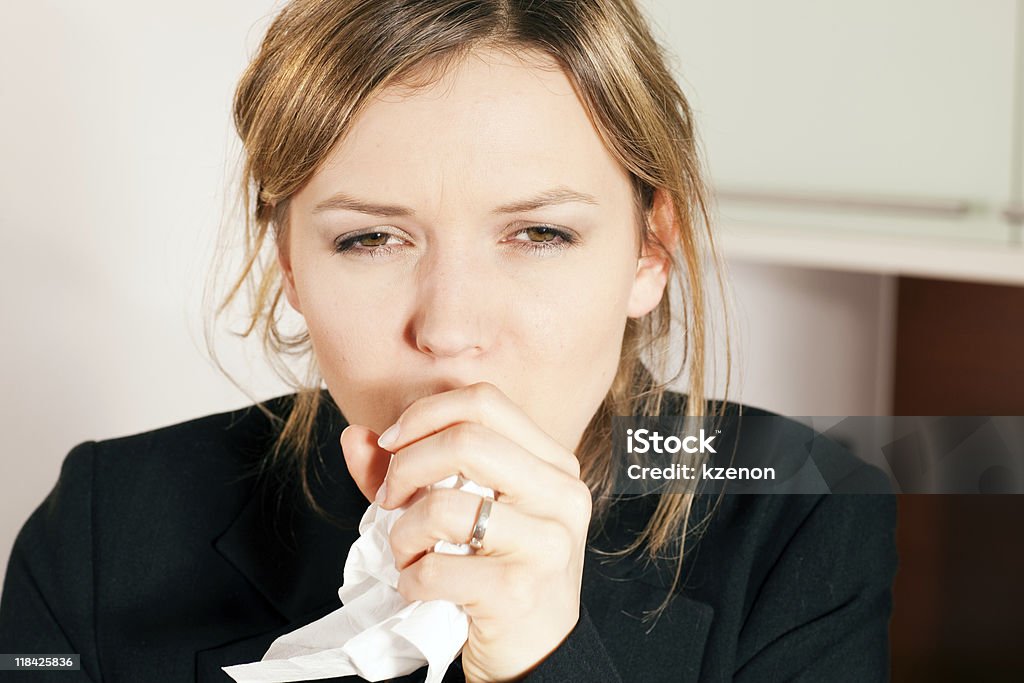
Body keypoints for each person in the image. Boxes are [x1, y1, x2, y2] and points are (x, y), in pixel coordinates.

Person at [0, 1, 898, 681]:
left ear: (650, 250)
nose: (452, 329)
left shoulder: (805, 506)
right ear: (289, 263)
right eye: (369, 239)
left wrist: (542, 654)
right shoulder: (104, 521)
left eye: (539, 233)